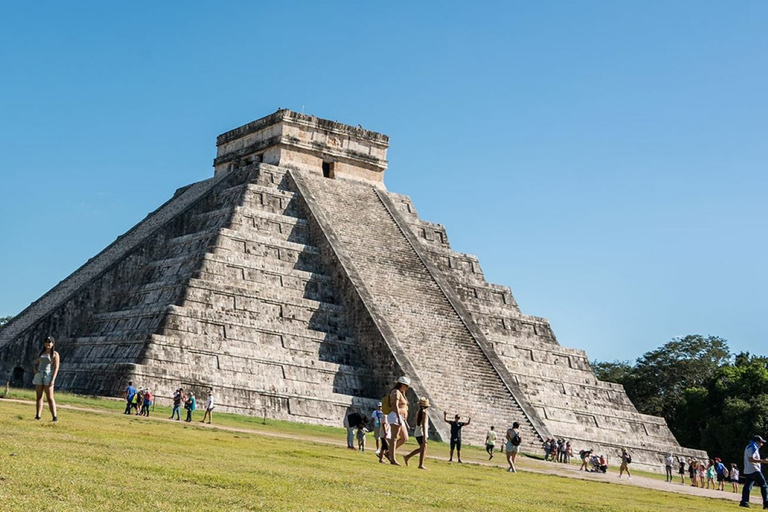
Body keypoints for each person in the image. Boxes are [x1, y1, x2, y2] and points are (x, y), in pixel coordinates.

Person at [32, 336, 60, 422]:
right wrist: (34, 369)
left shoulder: (55, 354)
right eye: (46, 342)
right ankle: (38, 416)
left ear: (53, 344)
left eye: (49, 342)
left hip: (48, 375)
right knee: (39, 396)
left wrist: (53, 379)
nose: (47, 343)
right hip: (39, 374)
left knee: (50, 397)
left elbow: (56, 367)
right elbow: (35, 363)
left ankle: (54, 417)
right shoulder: (41, 353)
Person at [387, 376, 411, 465]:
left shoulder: (401, 393)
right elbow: (395, 406)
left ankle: (389, 452)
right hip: (395, 416)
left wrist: (405, 421)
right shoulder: (396, 392)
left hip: (400, 417)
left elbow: (405, 405)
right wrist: (398, 417)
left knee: (405, 438)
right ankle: (393, 458)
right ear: (402, 384)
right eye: (406, 386)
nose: (407, 388)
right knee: (394, 438)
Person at [740, 434, 768, 508]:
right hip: (754, 470)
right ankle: (766, 503)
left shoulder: (748, 446)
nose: (761, 444)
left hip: (748, 470)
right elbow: (751, 459)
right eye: (761, 442)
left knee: (747, 487)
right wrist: (763, 461)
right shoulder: (753, 447)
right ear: (757, 442)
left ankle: (744, 502)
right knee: (764, 485)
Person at [403, 397, 430, 469]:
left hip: (417, 432)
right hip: (421, 433)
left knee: (422, 448)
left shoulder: (418, 412)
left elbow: (416, 423)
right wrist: (424, 435)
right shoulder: (425, 413)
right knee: (423, 448)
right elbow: (424, 424)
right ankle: (420, 464)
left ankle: (408, 457)